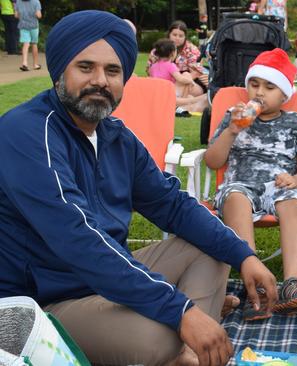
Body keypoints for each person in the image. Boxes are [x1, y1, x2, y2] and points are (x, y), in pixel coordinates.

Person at [0, 10, 279, 366]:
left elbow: (174, 206)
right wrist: (180, 311)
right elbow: (79, 240)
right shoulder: (27, 132)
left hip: (107, 282)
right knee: (160, 334)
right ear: (60, 71)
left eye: (112, 71)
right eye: (85, 67)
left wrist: (245, 255)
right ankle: (186, 339)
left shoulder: (117, 137)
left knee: (212, 247)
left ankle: (190, 352)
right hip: (46, 302)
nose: (100, 80)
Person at [203, 48, 297, 321]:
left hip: (280, 186)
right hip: (240, 184)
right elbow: (212, 160)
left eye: (269, 87)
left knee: (295, 199)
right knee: (235, 197)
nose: (259, 92)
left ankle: (292, 285)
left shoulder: (295, 122)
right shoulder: (235, 115)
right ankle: (255, 285)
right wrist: (233, 130)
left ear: (284, 95)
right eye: (254, 84)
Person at [149, 38, 209, 113]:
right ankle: (190, 101)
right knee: (186, 76)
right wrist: (190, 81)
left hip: (158, 94)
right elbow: (180, 79)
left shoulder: (153, 66)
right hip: (169, 94)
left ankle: (186, 100)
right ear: (172, 53)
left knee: (186, 75)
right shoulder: (171, 66)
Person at [146, 20, 209, 92]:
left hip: (186, 80)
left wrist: (182, 80)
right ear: (169, 34)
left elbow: (196, 73)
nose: (177, 38)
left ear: (185, 37)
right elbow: (149, 71)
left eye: (181, 36)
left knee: (188, 78)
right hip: (162, 82)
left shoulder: (192, 50)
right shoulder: (157, 50)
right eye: (174, 35)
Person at [14, 0, 41, 71]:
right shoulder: (36, 2)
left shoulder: (18, 2)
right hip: (34, 26)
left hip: (23, 26)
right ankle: (35, 64)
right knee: (34, 44)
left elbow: (16, 15)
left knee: (26, 44)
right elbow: (39, 15)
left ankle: (25, 63)